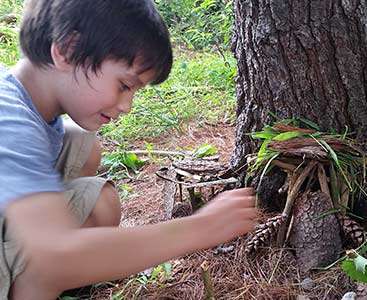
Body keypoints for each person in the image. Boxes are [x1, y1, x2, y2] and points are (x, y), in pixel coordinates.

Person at [0, 0, 258, 299]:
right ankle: (35, 281)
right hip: (49, 254)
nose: (127, 106)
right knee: (72, 235)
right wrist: (200, 228)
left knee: (83, 144)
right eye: (124, 85)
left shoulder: (23, 95)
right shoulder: (10, 120)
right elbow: (54, 255)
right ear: (67, 51)